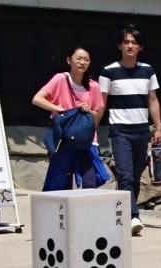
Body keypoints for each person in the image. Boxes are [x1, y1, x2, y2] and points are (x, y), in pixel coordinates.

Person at [100, 25, 161, 236]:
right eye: (126, 42)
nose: (130, 46)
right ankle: (133, 216)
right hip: (120, 131)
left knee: (134, 177)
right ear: (119, 45)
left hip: (142, 130)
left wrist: (158, 128)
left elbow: (152, 100)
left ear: (140, 47)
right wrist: (92, 128)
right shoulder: (108, 71)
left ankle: (125, 213)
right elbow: (102, 103)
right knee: (125, 174)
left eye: (134, 42)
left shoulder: (148, 70)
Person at [32, 46, 108, 191]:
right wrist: (58, 108)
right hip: (64, 138)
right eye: (78, 58)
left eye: (86, 59)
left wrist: (88, 111)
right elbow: (37, 99)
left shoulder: (94, 86)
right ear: (69, 60)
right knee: (60, 183)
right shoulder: (60, 79)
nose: (82, 62)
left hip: (87, 139)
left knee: (90, 182)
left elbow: (97, 115)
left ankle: (86, 207)